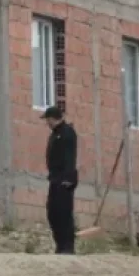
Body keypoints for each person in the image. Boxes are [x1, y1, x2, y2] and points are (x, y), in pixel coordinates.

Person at [42, 106, 78, 254]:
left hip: (65, 179)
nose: (47, 123)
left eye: (48, 120)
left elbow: (70, 157)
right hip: (55, 178)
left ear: (53, 118)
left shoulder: (67, 132)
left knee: (64, 213)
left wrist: (68, 178)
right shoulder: (55, 134)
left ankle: (67, 247)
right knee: (53, 212)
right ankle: (60, 245)